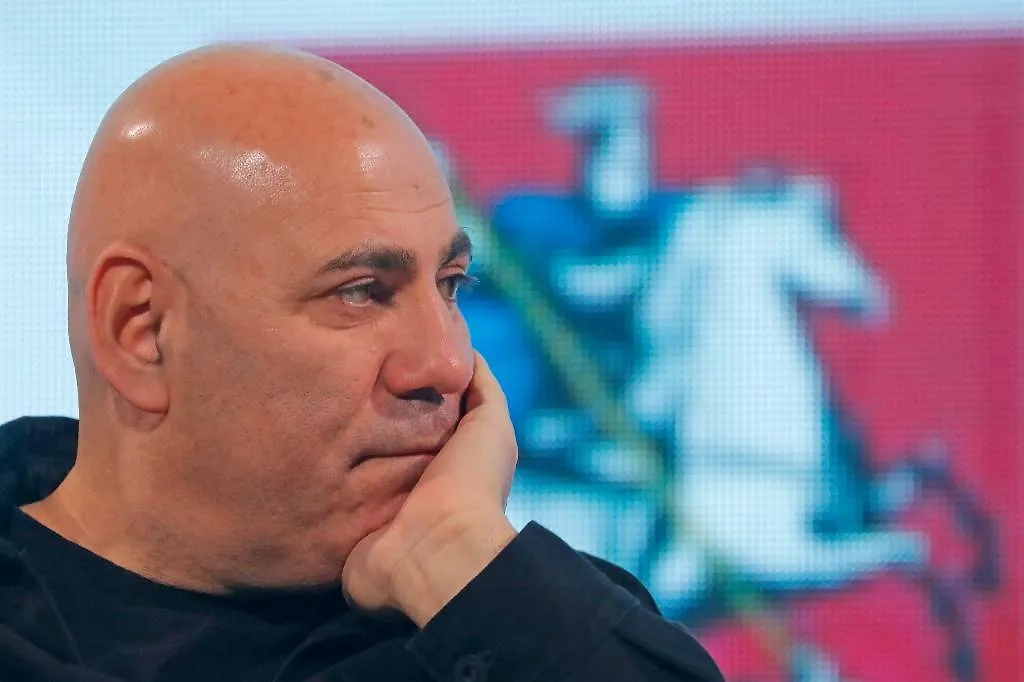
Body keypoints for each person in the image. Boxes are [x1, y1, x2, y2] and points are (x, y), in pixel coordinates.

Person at [0, 44, 725, 682]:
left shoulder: (514, 619)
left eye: (451, 285)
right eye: (362, 291)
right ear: (143, 331)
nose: (449, 363)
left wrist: (451, 553)